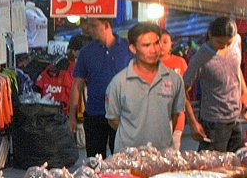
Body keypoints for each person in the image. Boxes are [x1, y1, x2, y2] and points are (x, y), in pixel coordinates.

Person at [105, 23, 185, 153]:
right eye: (146, 45)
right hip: (127, 157)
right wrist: (135, 135)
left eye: (156, 43)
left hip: (162, 154)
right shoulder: (119, 83)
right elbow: (113, 120)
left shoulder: (175, 79)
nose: (153, 50)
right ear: (132, 48)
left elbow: (175, 115)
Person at [183, 16, 247, 152]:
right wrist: (193, 122)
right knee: (212, 167)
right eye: (219, 42)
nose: (224, 46)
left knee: (235, 164)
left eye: (228, 43)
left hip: (236, 117)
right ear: (210, 35)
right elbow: (182, 90)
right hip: (214, 123)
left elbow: (235, 66)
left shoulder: (236, 40)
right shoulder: (200, 58)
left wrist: (244, 90)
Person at [70, 17, 133, 158]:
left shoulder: (127, 49)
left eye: (94, 26)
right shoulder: (86, 52)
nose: (90, 30)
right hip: (95, 114)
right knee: (94, 161)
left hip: (122, 114)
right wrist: (72, 116)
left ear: (106, 25)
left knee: (121, 160)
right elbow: (77, 85)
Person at [159, 32, 188, 150]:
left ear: (171, 44)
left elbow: (186, 89)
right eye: (158, 42)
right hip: (156, 120)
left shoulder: (180, 62)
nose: (162, 45)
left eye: (165, 42)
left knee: (173, 155)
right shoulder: (149, 64)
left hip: (177, 118)